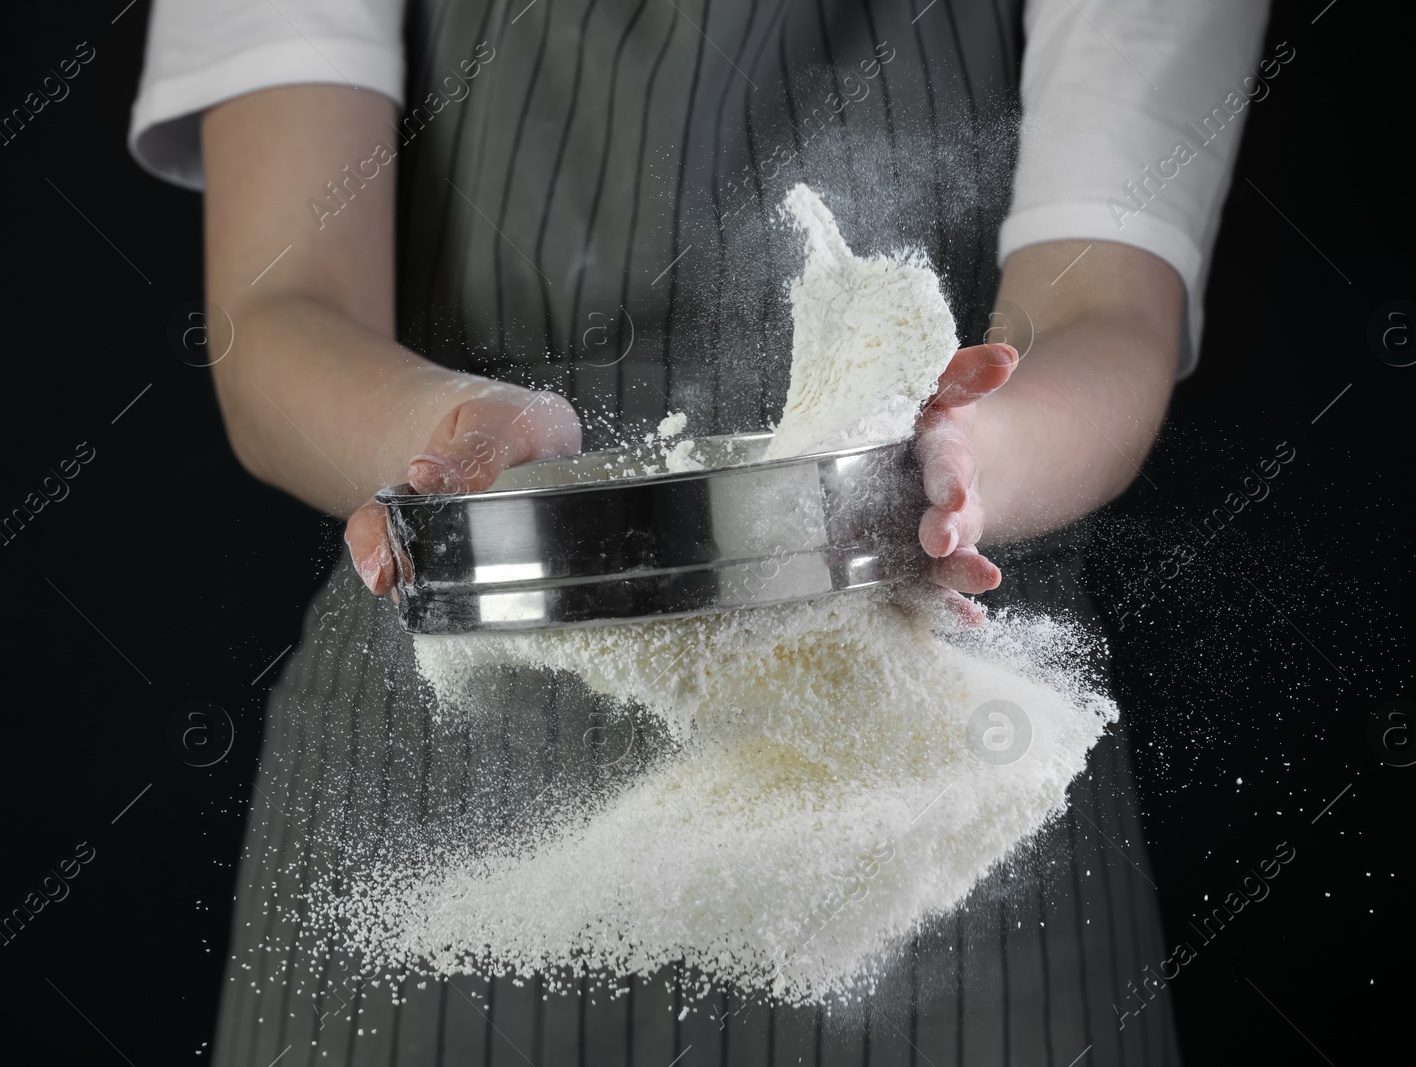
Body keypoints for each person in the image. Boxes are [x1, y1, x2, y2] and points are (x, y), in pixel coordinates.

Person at [130, 1, 1271, 1063]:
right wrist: (452, 440)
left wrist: (958, 466)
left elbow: (1102, 310)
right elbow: (283, 312)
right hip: (434, 762)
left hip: (942, 769)